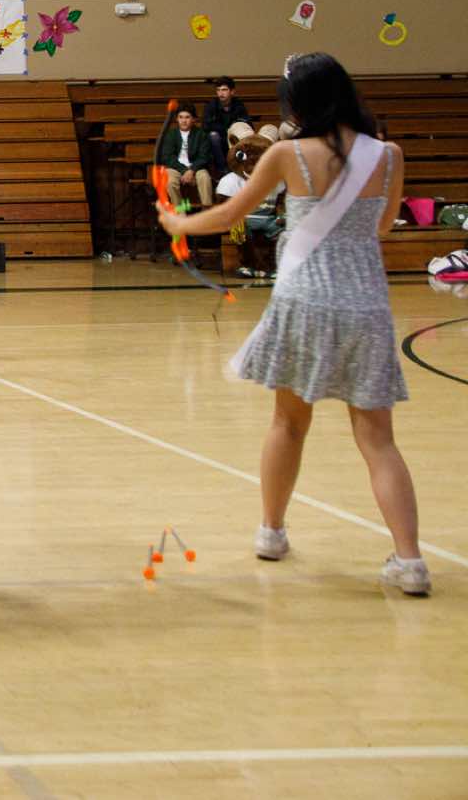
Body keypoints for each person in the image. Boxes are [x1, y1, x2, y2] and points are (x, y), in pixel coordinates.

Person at [159, 53, 428, 595]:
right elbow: (382, 225)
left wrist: (178, 222)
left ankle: (272, 532)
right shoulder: (388, 154)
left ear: (298, 103)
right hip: (366, 303)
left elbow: (231, 214)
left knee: (288, 423)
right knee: (378, 440)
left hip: (305, 299)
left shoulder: (287, 153)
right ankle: (411, 562)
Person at [155, 106, 215, 211]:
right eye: (181, 117)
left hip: (196, 168)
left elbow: (204, 156)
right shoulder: (170, 134)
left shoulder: (201, 134)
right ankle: (180, 211)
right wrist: (184, 171)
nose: (183, 121)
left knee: (205, 178)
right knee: (169, 181)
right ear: (177, 119)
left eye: (187, 117)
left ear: (193, 119)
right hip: (176, 168)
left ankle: (207, 211)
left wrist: (191, 170)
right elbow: (168, 158)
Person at [203, 76, 251, 173]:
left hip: (234, 139)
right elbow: (206, 126)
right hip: (218, 140)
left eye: (224, 90)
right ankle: (222, 170)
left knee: (245, 135)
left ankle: (241, 168)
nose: (221, 93)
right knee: (213, 136)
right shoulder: (211, 106)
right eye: (218, 90)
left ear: (232, 92)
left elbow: (247, 123)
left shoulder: (239, 105)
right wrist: (227, 130)